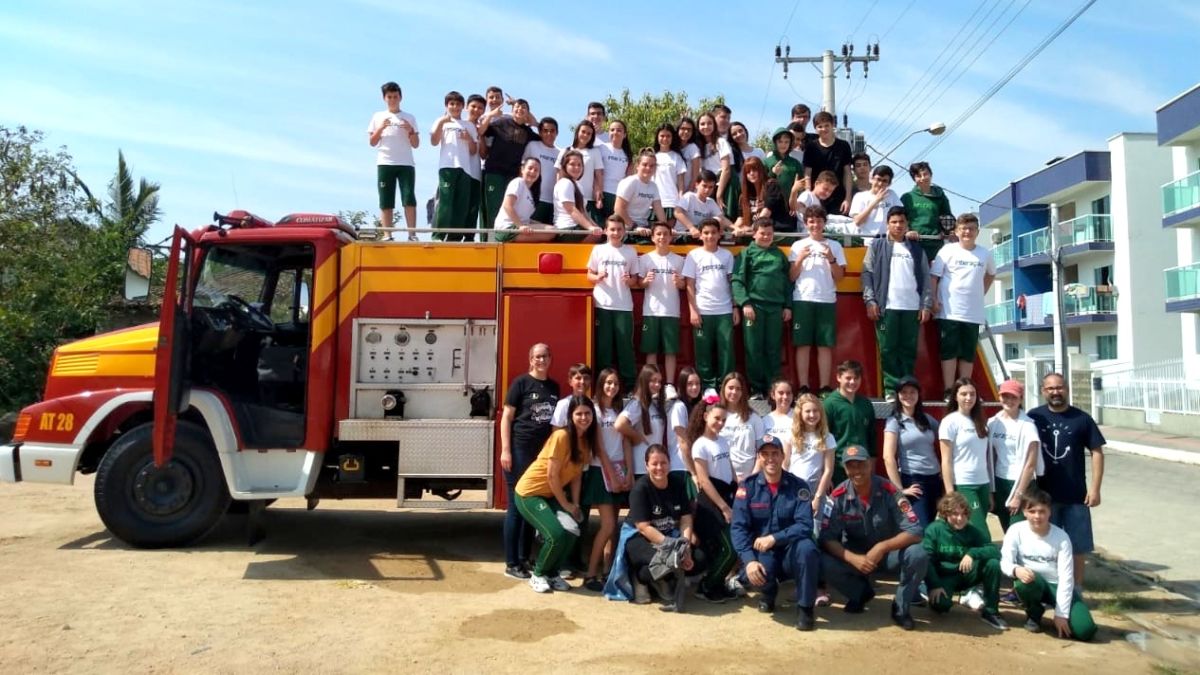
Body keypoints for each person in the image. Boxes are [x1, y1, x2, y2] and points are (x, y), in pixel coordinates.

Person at [820, 444, 928, 630]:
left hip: (888, 556)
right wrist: (853, 558)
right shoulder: (838, 495)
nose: (857, 470)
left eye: (861, 464)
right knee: (819, 558)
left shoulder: (890, 490)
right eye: (851, 466)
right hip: (856, 557)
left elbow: (915, 530)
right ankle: (859, 593)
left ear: (870, 465)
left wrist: (882, 547)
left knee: (918, 553)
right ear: (845, 469)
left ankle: (901, 608)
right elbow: (826, 537)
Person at [732, 436, 822, 630]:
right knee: (754, 573)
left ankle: (805, 608)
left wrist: (775, 538)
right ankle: (769, 592)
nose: (770, 459)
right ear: (759, 457)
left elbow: (805, 525)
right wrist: (749, 560)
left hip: (791, 552)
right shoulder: (748, 487)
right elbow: (738, 527)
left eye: (775, 453)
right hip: (764, 556)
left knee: (808, 548)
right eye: (765, 454)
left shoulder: (799, 486)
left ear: (783, 456)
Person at [1027, 373, 1105, 590]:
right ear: (1043, 391)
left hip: (1075, 495)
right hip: (1043, 497)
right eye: (1050, 388)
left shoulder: (1082, 419)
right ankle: (1045, 587)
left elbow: (1097, 452)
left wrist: (1095, 489)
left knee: (1076, 546)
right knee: (1043, 544)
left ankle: (1076, 588)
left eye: (1059, 387)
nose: (1055, 392)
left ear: (1066, 389)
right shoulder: (1034, 417)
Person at [514, 395, 597, 593]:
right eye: (579, 414)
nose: (584, 417)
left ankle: (552, 573)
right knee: (556, 535)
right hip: (529, 494)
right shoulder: (561, 436)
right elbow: (552, 476)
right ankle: (539, 574)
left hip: (549, 496)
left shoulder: (585, 442)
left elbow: (576, 476)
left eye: (587, 413)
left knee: (573, 529)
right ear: (570, 416)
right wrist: (567, 505)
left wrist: (575, 505)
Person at [609, 444, 706, 610]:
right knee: (668, 559)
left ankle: (664, 579)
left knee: (699, 558)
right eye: (654, 464)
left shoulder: (677, 484)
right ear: (647, 465)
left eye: (663, 463)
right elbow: (644, 527)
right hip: (639, 538)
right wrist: (671, 547)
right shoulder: (640, 489)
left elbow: (686, 519)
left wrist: (685, 545)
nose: (659, 467)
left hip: (670, 534)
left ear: (669, 463)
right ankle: (641, 578)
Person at [1001, 488, 1098, 640]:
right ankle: (1034, 614)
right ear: (1024, 512)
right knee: (1023, 583)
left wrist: (1061, 614)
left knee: (1085, 631)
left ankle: (1060, 614)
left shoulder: (1062, 537)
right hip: (1034, 582)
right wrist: (1016, 570)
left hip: (1057, 585)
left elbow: (1066, 577)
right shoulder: (1015, 530)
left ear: (1050, 511)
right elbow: (1005, 562)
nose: (1037, 516)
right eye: (1032, 511)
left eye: (1042, 511)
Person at [499, 344, 560, 580]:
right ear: (530, 359)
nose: (541, 360)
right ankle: (511, 563)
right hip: (520, 450)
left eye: (545, 356)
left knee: (530, 506)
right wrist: (506, 450)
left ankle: (524, 558)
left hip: (541, 455)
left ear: (550, 358)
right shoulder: (520, 384)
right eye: (537, 357)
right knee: (516, 507)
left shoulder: (554, 387)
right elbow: (507, 417)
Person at [862, 207, 935, 399]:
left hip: (911, 307)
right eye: (894, 222)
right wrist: (870, 300)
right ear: (887, 224)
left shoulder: (917, 250)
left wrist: (926, 305)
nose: (898, 225)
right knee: (888, 350)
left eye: (901, 222)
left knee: (909, 351)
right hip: (887, 307)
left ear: (907, 224)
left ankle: (908, 390)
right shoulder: (877, 245)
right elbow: (867, 273)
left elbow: (926, 278)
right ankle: (892, 390)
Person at [930, 213, 995, 400]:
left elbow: (991, 274)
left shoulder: (985, 253)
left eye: (972, 229)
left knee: (968, 354)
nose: (967, 232)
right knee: (949, 352)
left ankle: (965, 391)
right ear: (957, 231)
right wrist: (934, 299)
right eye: (964, 228)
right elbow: (934, 277)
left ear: (977, 231)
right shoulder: (947, 251)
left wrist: (980, 292)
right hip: (949, 311)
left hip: (973, 313)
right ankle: (950, 391)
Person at [924, 492, 1008, 630]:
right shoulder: (934, 530)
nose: (960, 518)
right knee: (940, 606)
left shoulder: (971, 530)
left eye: (964, 514)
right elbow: (926, 558)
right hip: (944, 577)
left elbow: (994, 550)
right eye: (955, 514)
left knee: (992, 563)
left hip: (966, 573)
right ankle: (926, 589)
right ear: (945, 514)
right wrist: (934, 584)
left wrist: (971, 553)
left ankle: (991, 610)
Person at [580, 369, 631, 591]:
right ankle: (591, 573)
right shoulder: (594, 409)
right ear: (601, 384)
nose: (612, 387)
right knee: (608, 525)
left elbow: (626, 440)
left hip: (619, 470)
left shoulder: (620, 409)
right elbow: (599, 447)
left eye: (616, 383)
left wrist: (628, 472)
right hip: (601, 471)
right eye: (608, 383)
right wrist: (612, 474)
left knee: (613, 528)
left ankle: (608, 572)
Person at [789, 206, 847, 394]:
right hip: (802, 299)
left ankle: (824, 387)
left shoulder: (835, 246)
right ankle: (803, 386)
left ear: (824, 223)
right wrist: (799, 259)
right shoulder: (798, 245)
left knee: (825, 346)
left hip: (827, 300)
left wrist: (831, 259)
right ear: (806, 224)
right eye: (811, 221)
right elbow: (791, 276)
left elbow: (839, 276)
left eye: (819, 221)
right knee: (803, 344)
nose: (815, 225)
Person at [732, 218, 792, 399]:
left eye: (769, 234)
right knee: (753, 348)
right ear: (754, 234)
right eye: (762, 233)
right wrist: (745, 303)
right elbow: (737, 280)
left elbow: (787, 282)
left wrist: (787, 305)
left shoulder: (779, 254)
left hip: (775, 308)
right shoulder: (746, 253)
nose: (766, 237)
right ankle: (756, 388)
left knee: (773, 349)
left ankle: (773, 388)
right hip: (754, 307)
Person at [683, 218, 738, 390]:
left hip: (724, 310)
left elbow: (732, 283)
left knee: (727, 351)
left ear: (719, 234)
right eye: (706, 233)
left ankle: (726, 386)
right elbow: (689, 285)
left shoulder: (727, 255)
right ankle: (707, 386)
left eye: (713, 232)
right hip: (703, 310)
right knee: (703, 352)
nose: (710, 236)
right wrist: (693, 310)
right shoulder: (694, 255)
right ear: (700, 235)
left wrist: (735, 307)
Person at [882, 376, 943, 528]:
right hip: (914, 480)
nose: (908, 396)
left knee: (931, 524)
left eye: (912, 392)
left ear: (918, 395)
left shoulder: (927, 419)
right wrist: (900, 490)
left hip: (935, 480)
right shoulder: (894, 422)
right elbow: (888, 457)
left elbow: (947, 439)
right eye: (904, 392)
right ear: (898, 395)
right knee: (919, 527)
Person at [586, 215, 639, 389]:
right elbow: (589, 275)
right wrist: (597, 277)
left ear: (624, 231)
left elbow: (635, 280)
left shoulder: (630, 251)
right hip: (602, 304)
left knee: (625, 349)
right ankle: (603, 386)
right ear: (606, 231)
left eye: (619, 229)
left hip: (623, 305)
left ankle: (629, 386)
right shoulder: (598, 250)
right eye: (612, 229)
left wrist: (628, 280)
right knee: (603, 349)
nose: (616, 233)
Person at [939, 378, 993, 541]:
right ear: (955, 396)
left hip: (983, 483)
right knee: (982, 535)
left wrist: (989, 490)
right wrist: (950, 494)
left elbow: (985, 457)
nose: (968, 398)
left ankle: (967, 564)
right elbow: (946, 460)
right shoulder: (950, 422)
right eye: (963, 394)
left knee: (970, 532)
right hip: (964, 484)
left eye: (972, 394)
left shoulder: (982, 422)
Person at [367, 82, 419, 240]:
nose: (392, 99)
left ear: (400, 97)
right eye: (389, 97)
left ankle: (412, 233)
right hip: (385, 162)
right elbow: (372, 142)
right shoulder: (377, 116)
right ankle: (387, 233)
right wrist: (381, 128)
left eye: (395, 96)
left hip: (406, 163)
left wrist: (410, 130)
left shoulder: (409, 117)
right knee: (386, 199)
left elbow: (416, 144)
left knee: (409, 197)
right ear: (384, 98)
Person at [479, 97, 538, 235]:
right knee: (492, 208)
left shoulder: (528, 132)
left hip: (513, 176)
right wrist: (490, 115)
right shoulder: (502, 122)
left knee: (509, 207)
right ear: (512, 110)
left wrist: (526, 114)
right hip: (494, 172)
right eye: (517, 107)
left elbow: (539, 127)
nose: (519, 109)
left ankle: (503, 237)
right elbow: (481, 131)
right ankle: (487, 241)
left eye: (523, 107)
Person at [989, 378, 1041, 532]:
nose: (1009, 400)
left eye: (1013, 397)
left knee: (1018, 530)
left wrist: (1018, 495)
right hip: (1000, 482)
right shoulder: (993, 423)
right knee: (1007, 529)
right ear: (999, 397)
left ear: (1021, 399)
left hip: (1021, 484)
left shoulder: (1028, 426)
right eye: (1005, 396)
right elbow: (990, 456)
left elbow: (1031, 464)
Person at [638, 223, 685, 382]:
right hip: (651, 311)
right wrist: (645, 281)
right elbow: (639, 284)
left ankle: (669, 383)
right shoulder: (645, 259)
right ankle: (652, 382)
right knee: (651, 351)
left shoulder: (679, 260)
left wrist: (679, 283)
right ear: (652, 237)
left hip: (671, 311)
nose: (662, 237)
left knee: (670, 351)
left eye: (665, 234)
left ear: (671, 237)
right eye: (658, 234)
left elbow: (684, 285)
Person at [430, 91, 480, 242]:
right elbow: (434, 141)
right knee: (445, 201)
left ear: (462, 107)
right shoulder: (441, 121)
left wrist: (469, 138)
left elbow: (473, 151)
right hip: (447, 166)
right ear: (446, 106)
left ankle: (455, 236)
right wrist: (442, 122)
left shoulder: (468, 125)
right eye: (451, 104)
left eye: (458, 104)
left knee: (461, 203)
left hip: (465, 169)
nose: (455, 107)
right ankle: (438, 235)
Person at [823, 360, 876, 484]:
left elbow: (872, 437)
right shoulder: (829, 404)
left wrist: (872, 465)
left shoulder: (866, 404)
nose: (852, 382)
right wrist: (826, 473)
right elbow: (822, 439)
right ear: (838, 378)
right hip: (839, 468)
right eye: (848, 378)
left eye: (856, 378)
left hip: (863, 465)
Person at [616, 364, 669, 480]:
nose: (657, 385)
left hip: (656, 467)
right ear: (644, 381)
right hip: (640, 467)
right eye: (653, 381)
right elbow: (619, 424)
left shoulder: (654, 404)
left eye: (659, 381)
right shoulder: (637, 404)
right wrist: (638, 437)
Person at [789, 392, 836, 515]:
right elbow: (785, 465)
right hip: (793, 487)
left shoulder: (827, 437)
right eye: (808, 411)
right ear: (800, 413)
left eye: (815, 411)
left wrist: (818, 498)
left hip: (815, 489)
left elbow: (828, 470)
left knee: (815, 530)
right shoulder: (791, 435)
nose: (812, 415)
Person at [492, 157, 555, 243]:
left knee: (553, 230)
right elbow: (507, 205)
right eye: (530, 168)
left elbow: (525, 218)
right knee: (552, 232)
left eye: (536, 170)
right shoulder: (518, 182)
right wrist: (520, 226)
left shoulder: (531, 193)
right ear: (522, 169)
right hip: (507, 229)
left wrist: (539, 224)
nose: (532, 172)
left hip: (520, 227)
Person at [802, 111, 854, 215]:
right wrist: (809, 194)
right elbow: (807, 173)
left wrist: (848, 198)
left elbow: (847, 173)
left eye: (827, 125)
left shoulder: (843, 146)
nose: (824, 129)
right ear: (815, 129)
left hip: (838, 196)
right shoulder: (811, 147)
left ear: (833, 125)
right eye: (820, 126)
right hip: (817, 196)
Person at [901, 161, 954, 261]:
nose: (922, 178)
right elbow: (900, 218)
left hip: (936, 244)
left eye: (925, 174)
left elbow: (948, 217)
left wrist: (948, 232)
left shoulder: (940, 196)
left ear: (930, 174)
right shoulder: (907, 197)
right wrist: (907, 231)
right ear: (914, 179)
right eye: (918, 176)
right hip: (914, 243)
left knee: (935, 275)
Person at [718, 371, 764, 482]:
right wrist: (735, 479)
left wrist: (752, 477)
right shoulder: (717, 416)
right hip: (723, 477)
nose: (734, 392)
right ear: (724, 389)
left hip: (751, 478)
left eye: (738, 389)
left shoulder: (754, 418)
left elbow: (762, 452)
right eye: (731, 388)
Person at [556, 120, 603, 223]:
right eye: (583, 132)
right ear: (577, 132)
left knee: (595, 230)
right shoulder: (565, 151)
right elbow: (559, 176)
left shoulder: (595, 152)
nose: (585, 135)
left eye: (589, 133)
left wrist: (599, 195)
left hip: (588, 199)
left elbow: (598, 175)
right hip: (568, 199)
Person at [615, 149, 669, 241]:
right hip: (625, 229)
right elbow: (618, 209)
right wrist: (634, 227)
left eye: (652, 166)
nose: (648, 168)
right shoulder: (630, 182)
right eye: (645, 165)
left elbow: (659, 210)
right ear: (637, 166)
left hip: (643, 228)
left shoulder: (654, 186)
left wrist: (667, 228)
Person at [552, 149, 603, 242]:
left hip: (576, 227)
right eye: (572, 164)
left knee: (602, 234)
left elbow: (583, 212)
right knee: (597, 236)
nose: (577, 167)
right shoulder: (565, 183)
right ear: (564, 166)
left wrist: (595, 226)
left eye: (579, 165)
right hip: (566, 229)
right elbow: (571, 209)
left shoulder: (578, 185)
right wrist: (590, 228)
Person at [734, 158, 790, 236]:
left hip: (776, 233)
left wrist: (750, 228)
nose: (751, 173)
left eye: (754, 170)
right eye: (748, 172)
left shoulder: (772, 186)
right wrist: (735, 229)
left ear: (761, 171)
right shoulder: (744, 195)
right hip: (755, 233)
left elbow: (766, 213)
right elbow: (740, 218)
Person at [522, 117, 562, 224]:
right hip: (534, 198)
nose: (549, 134)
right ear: (540, 132)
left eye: (552, 131)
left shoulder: (560, 152)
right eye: (545, 131)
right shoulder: (532, 146)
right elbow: (522, 169)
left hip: (552, 202)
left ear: (557, 133)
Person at [675, 170, 732, 240]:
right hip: (685, 234)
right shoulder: (689, 196)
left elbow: (722, 218)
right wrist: (691, 228)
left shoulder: (711, 202)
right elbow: (677, 212)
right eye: (704, 186)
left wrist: (736, 228)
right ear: (696, 185)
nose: (707, 190)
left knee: (719, 221)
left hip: (702, 235)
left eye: (710, 187)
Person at [763, 127, 804, 223]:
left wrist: (795, 204)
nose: (783, 145)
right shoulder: (767, 161)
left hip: (789, 209)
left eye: (786, 142)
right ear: (775, 142)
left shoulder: (795, 163)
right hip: (769, 208)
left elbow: (801, 186)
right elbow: (761, 183)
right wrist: (772, 173)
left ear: (790, 143)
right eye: (780, 141)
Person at [849, 165, 902, 239]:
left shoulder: (892, 195)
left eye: (884, 181)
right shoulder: (860, 196)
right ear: (871, 179)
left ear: (889, 184)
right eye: (878, 179)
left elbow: (901, 217)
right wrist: (875, 201)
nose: (880, 184)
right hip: (866, 240)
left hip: (887, 240)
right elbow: (857, 221)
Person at [596, 120, 633, 221]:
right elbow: (596, 172)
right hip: (603, 194)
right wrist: (598, 190)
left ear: (624, 134)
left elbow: (629, 178)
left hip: (619, 196)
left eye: (619, 130)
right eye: (612, 130)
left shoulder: (627, 154)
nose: (615, 132)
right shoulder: (601, 148)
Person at [651, 123, 687, 228]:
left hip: (672, 201)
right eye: (662, 136)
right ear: (657, 137)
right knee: (657, 233)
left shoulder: (677, 157)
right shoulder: (653, 156)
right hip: (655, 201)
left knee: (669, 232)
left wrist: (680, 200)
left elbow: (681, 183)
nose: (665, 139)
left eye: (668, 136)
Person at [463, 93, 486, 235]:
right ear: (466, 107)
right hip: (458, 172)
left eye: (480, 108)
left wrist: (481, 134)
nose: (476, 110)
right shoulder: (458, 123)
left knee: (472, 207)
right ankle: (452, 236)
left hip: (476, 172)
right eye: (473, 106)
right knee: (458, 205)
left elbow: (483, 153)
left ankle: (469, 237)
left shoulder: (482, 128)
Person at [676, 116, 702, 196]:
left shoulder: (693, 148)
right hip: (673, 193)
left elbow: (695, 175)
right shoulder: (673, 148)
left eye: (689, 130)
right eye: (683, 128)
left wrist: (688, 193)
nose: (686, 132)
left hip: (688, 193)